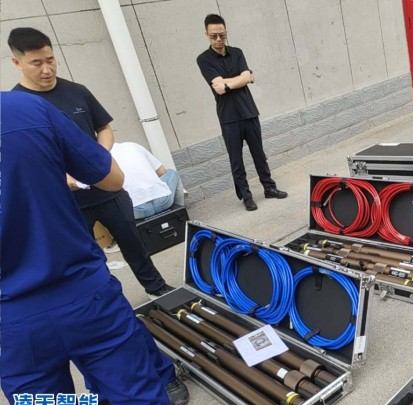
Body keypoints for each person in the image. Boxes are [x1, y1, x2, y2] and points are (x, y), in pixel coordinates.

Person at [0, 91, 226, 405]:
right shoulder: (26, 111)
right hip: (82, 295)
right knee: (138, 395)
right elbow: (112, 177)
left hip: (12, 324)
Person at [8, 27, 175, 299]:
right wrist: (61, 176)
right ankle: (106, 301)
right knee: (86, 259)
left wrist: (99, 157)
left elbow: (104, 128)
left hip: (107, 189)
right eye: (36, 63)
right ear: (17, 63)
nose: (47, 69)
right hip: (66, 201)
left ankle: (157, 289)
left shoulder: (77, 92)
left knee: (134, 244)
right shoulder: (18, 106)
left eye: (50, 60)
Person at [196, 13, 287, 212]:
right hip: (229, 118)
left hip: (249, 112)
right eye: (213, 36)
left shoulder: (237, 53)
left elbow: (248, 78)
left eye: (222, 35)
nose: (218, 39)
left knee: (259, 154)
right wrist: (241, 79)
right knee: (236, 160)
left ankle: (269, 188)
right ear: (206, 35)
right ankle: (246, 196)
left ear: (226, 31)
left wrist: (228, 82)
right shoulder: (203, 59)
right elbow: (221, 87)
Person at [110, 141, 184, 220]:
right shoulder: (132, 145)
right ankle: (181, 214)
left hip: (135, 210)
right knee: (171, 173)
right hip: (164, 200)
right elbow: (162, 171)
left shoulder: (104, 159)